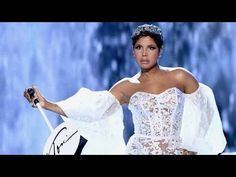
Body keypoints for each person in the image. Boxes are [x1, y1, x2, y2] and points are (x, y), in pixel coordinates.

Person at [24, 24, 227, 155]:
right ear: (133, 51)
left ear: (160, 50)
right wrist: (46, 103)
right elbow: (93, 108)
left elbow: (205, 111)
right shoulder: (127, 86)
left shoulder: (180, 76)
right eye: (139, 47)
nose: (144, 53)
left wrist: (195, 149)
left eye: (151, 47)